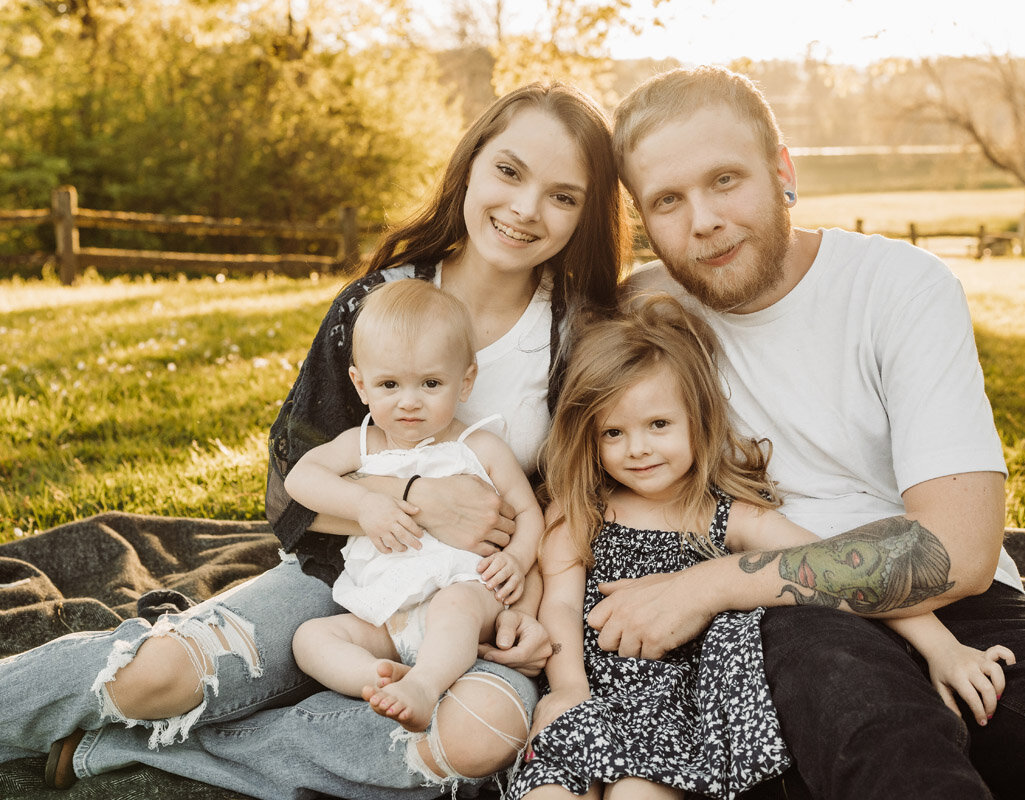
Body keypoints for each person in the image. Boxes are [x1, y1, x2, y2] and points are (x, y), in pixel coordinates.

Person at [0, 81, 628, 799]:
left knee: (478, 737)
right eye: (509, 172)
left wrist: (529, 601)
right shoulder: (376, 302)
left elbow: (578, 498)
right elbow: (290, 486)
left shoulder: (578, 335)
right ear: (471, 164)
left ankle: (128, 755)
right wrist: (415, 499)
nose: (524, 209)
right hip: (341, 575)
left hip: (478, 604)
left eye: (562, 195)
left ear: (586, 213)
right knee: (158, 675)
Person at [592, 65, 1025, 799]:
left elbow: (957, 550)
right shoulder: (644, 318)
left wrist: (709, 585)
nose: (703, 221)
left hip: (954, 606)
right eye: (667, 201)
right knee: (893, 762)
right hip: (786, 621)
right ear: (642, 220)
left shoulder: (900, 286)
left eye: (726, 180)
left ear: (783, 171)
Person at [509, 295, 1014, 800]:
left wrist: (943, 647)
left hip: (673, 715)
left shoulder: (726, 515)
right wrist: (570, 687)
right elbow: (562, 602)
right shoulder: (578, 509)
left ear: (698, 418)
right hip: (585, 690)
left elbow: (832, 570)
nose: (637, 448)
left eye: (658, 425)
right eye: (613, 433)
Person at [286, 279, 544, 734]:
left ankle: (425, 685)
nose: (409, 401)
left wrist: (517, 559)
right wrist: (365, 502)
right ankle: (381, 680)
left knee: (455, 606)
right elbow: (300, 478)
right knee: (312, 638)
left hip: (465, 593)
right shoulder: (361, 443)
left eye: (430, 383)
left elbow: (528, 512)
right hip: (386, 613)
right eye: (389, 384)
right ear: (360, 385)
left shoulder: (479, 445)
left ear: (465, 381)